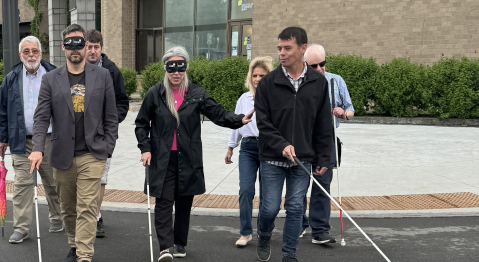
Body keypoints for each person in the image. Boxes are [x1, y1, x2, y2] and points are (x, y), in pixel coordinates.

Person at [135, 46, 253, 262]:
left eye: (180, 67)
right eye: (172, 68)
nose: (176, 73)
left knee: (183, 203)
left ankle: (179, 243)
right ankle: (165, 248)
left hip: (187, 158)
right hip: (162, 159)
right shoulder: (155, 93)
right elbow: (141, 124)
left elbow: (217, 113)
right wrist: (145, 148)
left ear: (186, 68)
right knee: (163, 202)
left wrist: (239, 119)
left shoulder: (196, 94)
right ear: (166, 69)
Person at [28, 24, 119, 262]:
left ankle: (84, 256)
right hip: (62, 153)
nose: (75, 48)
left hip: (93, 152)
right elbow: (41, 117)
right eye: (70, 43)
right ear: (63, 47)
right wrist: (37, 148)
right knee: (67, 209)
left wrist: (108, 146)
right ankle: (75, 244)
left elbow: (111, 116)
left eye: (80, 42)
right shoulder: (50, 79)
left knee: (87, 207)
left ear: (86, 44)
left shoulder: (103, 76)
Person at [254, 27, 334, 262]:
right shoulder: (268, 82)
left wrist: (323, 158)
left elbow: (323, 124)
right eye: (279, 48)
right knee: (269, 208)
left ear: (303, 49)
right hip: (271, 158)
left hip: (304, 159)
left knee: (296, 208)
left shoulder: (319, 82)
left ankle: (289, 254)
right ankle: (265, 234)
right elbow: (263, 123)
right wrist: (281, 145)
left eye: (287, 48)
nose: (282, 53)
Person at [0, 36, 64, 244]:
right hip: (21, 141)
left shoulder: (55, 74)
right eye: (26, 52)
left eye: (34, 51)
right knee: (22, 185)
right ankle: (21, 227)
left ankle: (58, 218)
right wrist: (2, 138)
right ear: (20, 55)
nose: (31, 55)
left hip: (51, 140)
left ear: (41, 54)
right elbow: (1, 109)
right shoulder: (12, 78)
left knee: (53, 182)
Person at [301, 44, 355, 244]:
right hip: (305, 140)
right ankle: (299, 224)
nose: (319, 69)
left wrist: (344, 114)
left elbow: (350, 109)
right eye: (313, 66)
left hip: (328, 139)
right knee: (300, 183)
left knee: (323, 185)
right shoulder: (300, 83)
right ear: (306, 65)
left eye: (322, 64)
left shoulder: (336, 81)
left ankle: (320, 230)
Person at [84, 29, 130, 238]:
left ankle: (96, 216)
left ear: (101, 48)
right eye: (89, 46)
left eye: (96, 47)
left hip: (104, 135)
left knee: (101, 178)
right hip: (80, 134)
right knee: (83, 176)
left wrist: (111, 123)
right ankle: (84, 215)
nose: (92, 50)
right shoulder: (75, 70)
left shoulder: (112, 71)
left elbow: (123, 102)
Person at [225, 56, 274, 247]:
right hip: (248, 148)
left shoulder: (275, 99)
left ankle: (264, 232)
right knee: (246, 190)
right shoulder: (244, 99)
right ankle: (245, 232)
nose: (258, 79)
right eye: (255, 75)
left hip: (269, 148)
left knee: (266, 193)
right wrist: (230, 147)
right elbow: (237, 125)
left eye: (262, 75)